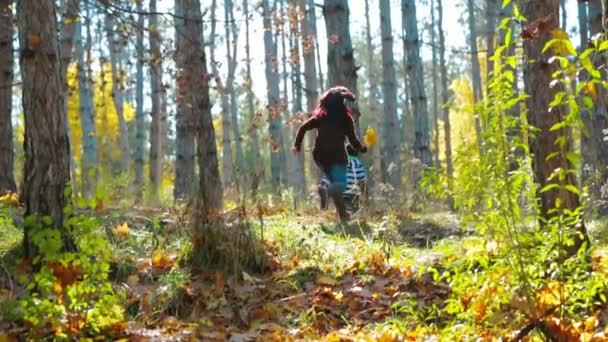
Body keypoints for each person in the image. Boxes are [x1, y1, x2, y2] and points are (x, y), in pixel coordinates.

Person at [293, 86, 367, 220]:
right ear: (341, 103)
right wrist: (361, 148)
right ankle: (326, 191)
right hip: (336, 157)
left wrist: (297, 145)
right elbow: (352, 139)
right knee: (341, 185)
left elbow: (303, 128)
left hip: (320, 157)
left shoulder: (321, 116)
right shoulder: (345, 118)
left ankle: (343, 215)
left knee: (335, 183)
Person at [344, 144, 368, 213]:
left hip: (343, 193)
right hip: (354, 194)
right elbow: (363, 178)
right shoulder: (358, 164)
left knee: (344, 209)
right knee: (354, 210)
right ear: (358, 153)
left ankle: (343, 219)